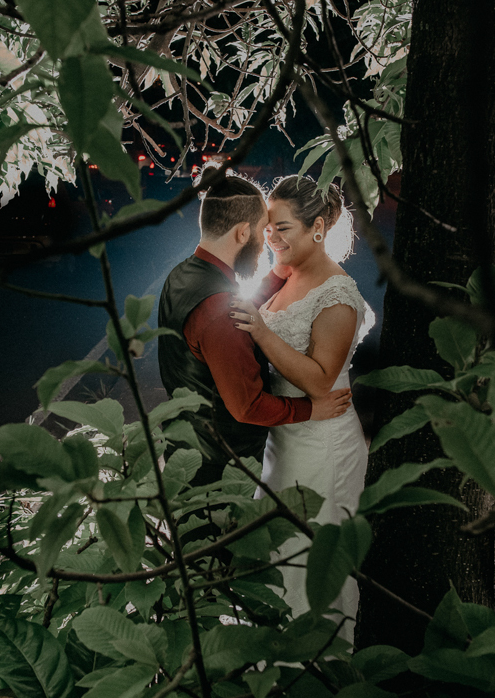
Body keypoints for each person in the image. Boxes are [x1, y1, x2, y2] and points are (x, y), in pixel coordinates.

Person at [230, 175, 374, 643]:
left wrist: (261, 331)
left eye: (283, 228)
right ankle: (272, 655)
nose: (271, 236)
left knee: (308, 557)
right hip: (285, 438)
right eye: (268, 227)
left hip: (322, 441)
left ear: (317, 228)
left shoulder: (338, 294)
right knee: (276, 549)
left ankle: (317, 660)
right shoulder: (287, 274)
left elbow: (319, 380)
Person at [157, 172, 353, 487]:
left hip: (186, 452)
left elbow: (233, 314)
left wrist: (275, 277)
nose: (266, 243)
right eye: (264, 230)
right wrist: (311, 409)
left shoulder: (182, 276)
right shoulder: (219, 309)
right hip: (222, 473)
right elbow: (248, 407)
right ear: (243, 233)